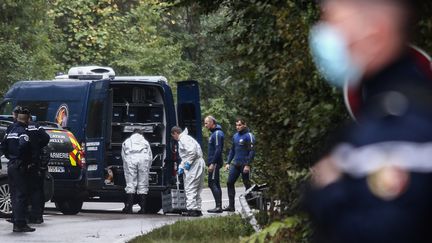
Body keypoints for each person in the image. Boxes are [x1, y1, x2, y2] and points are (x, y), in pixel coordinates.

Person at [306, 0, 432, 242]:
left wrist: (325, 191)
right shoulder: (387, 110)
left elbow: (381, 231)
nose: (324, 33)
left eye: (333, 21)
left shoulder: (398, 130)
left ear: (376, 32)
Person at [1, 108, 35, 232]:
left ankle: (16, 221)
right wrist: (22, 159)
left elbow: (3, 146)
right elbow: (24, 145)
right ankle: (20, 223)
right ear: (26, 120)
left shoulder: (10, 131)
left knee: (14, 195)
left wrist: (11, 157)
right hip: (20, 166)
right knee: (21, 195)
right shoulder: (23, 132)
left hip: (11, 165)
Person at [171, 126, 205, 217]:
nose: (174, 138)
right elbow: (186, 155)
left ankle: (191, 210)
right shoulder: (188, 138)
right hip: (198, 162)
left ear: (175, 133)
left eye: (173, 136)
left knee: (190, 187)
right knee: (197, 188)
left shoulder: (183, 139)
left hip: (194, 164)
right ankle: (197, 209)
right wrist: (181, 166)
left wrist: (187, 164)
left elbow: (191, 153)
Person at [223, 117, 255, 212]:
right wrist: (228, 162)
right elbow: (232, 150)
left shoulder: (249, 136)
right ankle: (231, 206)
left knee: (247, 183)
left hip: (245, 164)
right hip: (236, 164)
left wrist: (248, 164)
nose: (237, 127)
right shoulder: (235, 136)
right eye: (236, 125)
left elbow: (252, 151)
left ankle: (250, 205)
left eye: (240, 125)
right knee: (229, 182)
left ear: (244, 125)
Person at [121, 129, 153, 214]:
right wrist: (148, 167)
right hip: (143, 159)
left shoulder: (127, 141)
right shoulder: (145, 142)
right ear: (141, 134)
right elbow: (150, 156)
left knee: (131, 183)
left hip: (131, 159)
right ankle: (143, 209)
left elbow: (123, 156)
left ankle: (129, 208)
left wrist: (126, 166)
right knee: (143, 183)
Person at [26, 114, 50, 224]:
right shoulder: (37, 127)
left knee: (30, 191)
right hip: (38, 165)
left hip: (29, 164)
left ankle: (31, 215)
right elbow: (46, 139)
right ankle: (38, 215)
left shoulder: (23, 127)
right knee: (38, 191)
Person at [204, 115, 224, 213]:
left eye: (206, 123)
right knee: (216, 183)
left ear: (212, 123)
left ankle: (218, 207)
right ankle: (218, 206)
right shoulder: (214, 133)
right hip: (214, 162)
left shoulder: (217, 134)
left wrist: (212, 163)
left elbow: (218, 149)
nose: (205, 125)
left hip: (215, 163)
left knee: (212, 183)